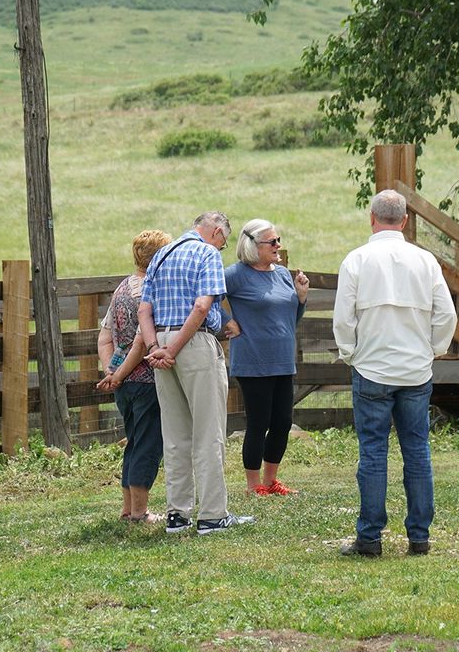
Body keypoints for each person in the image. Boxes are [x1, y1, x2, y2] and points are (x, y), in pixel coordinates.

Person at [333, 190, 456, 557]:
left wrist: (350, 352)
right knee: (417, 451)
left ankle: (369, 537)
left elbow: (344, 317)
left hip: (372, 367)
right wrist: (434, 349)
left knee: (373, 453)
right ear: (404, 220)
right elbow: (446, 314)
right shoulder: (425, 261)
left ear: (372, 217)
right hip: (415, 370)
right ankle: (419, 535)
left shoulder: (356, 260)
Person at [138, 212, 255, 535]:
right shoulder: (205, 253)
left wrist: (156, 348)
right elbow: (203, 307)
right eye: (223, 241)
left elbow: (144, 309)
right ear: (216, 231)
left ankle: (177, 513)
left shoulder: (162, 254)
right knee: (208, 431)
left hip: (158, 341)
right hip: (191, 344)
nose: (221, 248)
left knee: (175, 434)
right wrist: (174, 349)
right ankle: (213, 515)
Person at [221, 219, 309, 496]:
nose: (278, 246)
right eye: (272, 242)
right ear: (252, 245)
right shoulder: (235, 275)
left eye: (278, 240)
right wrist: (227, 321)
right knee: (258, 423)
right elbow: (206, 299)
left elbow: (290, 319)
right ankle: (252, 485)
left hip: (283, 360)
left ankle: (272, 481)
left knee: (282, 422)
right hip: (252, 361)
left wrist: (302, 297)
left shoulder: (282, 274)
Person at [95, 230, 172, 524]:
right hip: (146, 381)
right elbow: (142, 341)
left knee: (134, 442)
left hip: (123, 384)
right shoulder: (148, 292)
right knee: (148, 444)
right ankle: (140, 512)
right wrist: (119, 374)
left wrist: (111, 372)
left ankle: (128, 509)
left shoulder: (123, 288)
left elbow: (104, 337)